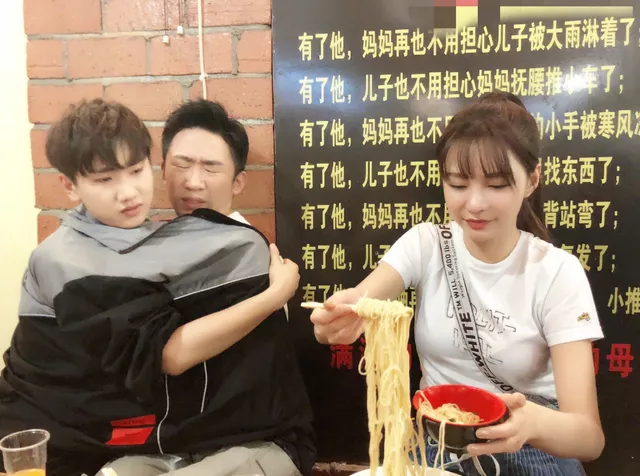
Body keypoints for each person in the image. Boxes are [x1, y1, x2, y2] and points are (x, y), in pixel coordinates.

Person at [0, 98, 312, 476]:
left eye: (135, 171)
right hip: (66, 441)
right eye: (105, 179)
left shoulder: (227, 249)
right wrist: (275, 295)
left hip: (247, 437)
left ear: (238, 180)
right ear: (70, 186)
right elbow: (169, 355)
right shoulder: (70, 260)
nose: (128, 192)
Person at [309, 91, 605, 475]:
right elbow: (363, 299)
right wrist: (339, 317)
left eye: (496, 185)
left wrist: (530, 424)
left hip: (533, 447)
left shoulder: (557, 272)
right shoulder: (426, 244)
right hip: (438, 445)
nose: (474, 204)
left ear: (532, 180)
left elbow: (588, 438)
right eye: (458, 184)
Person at [96, 99, 316, 476]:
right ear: (162, 170)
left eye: (211, 168)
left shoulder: (250, 254)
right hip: (174, 445)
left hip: (260, 440)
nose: (193, 182)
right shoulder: (148, 251)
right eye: (182, 164)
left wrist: (272, 296)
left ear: (237, 181)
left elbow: (172, 355)